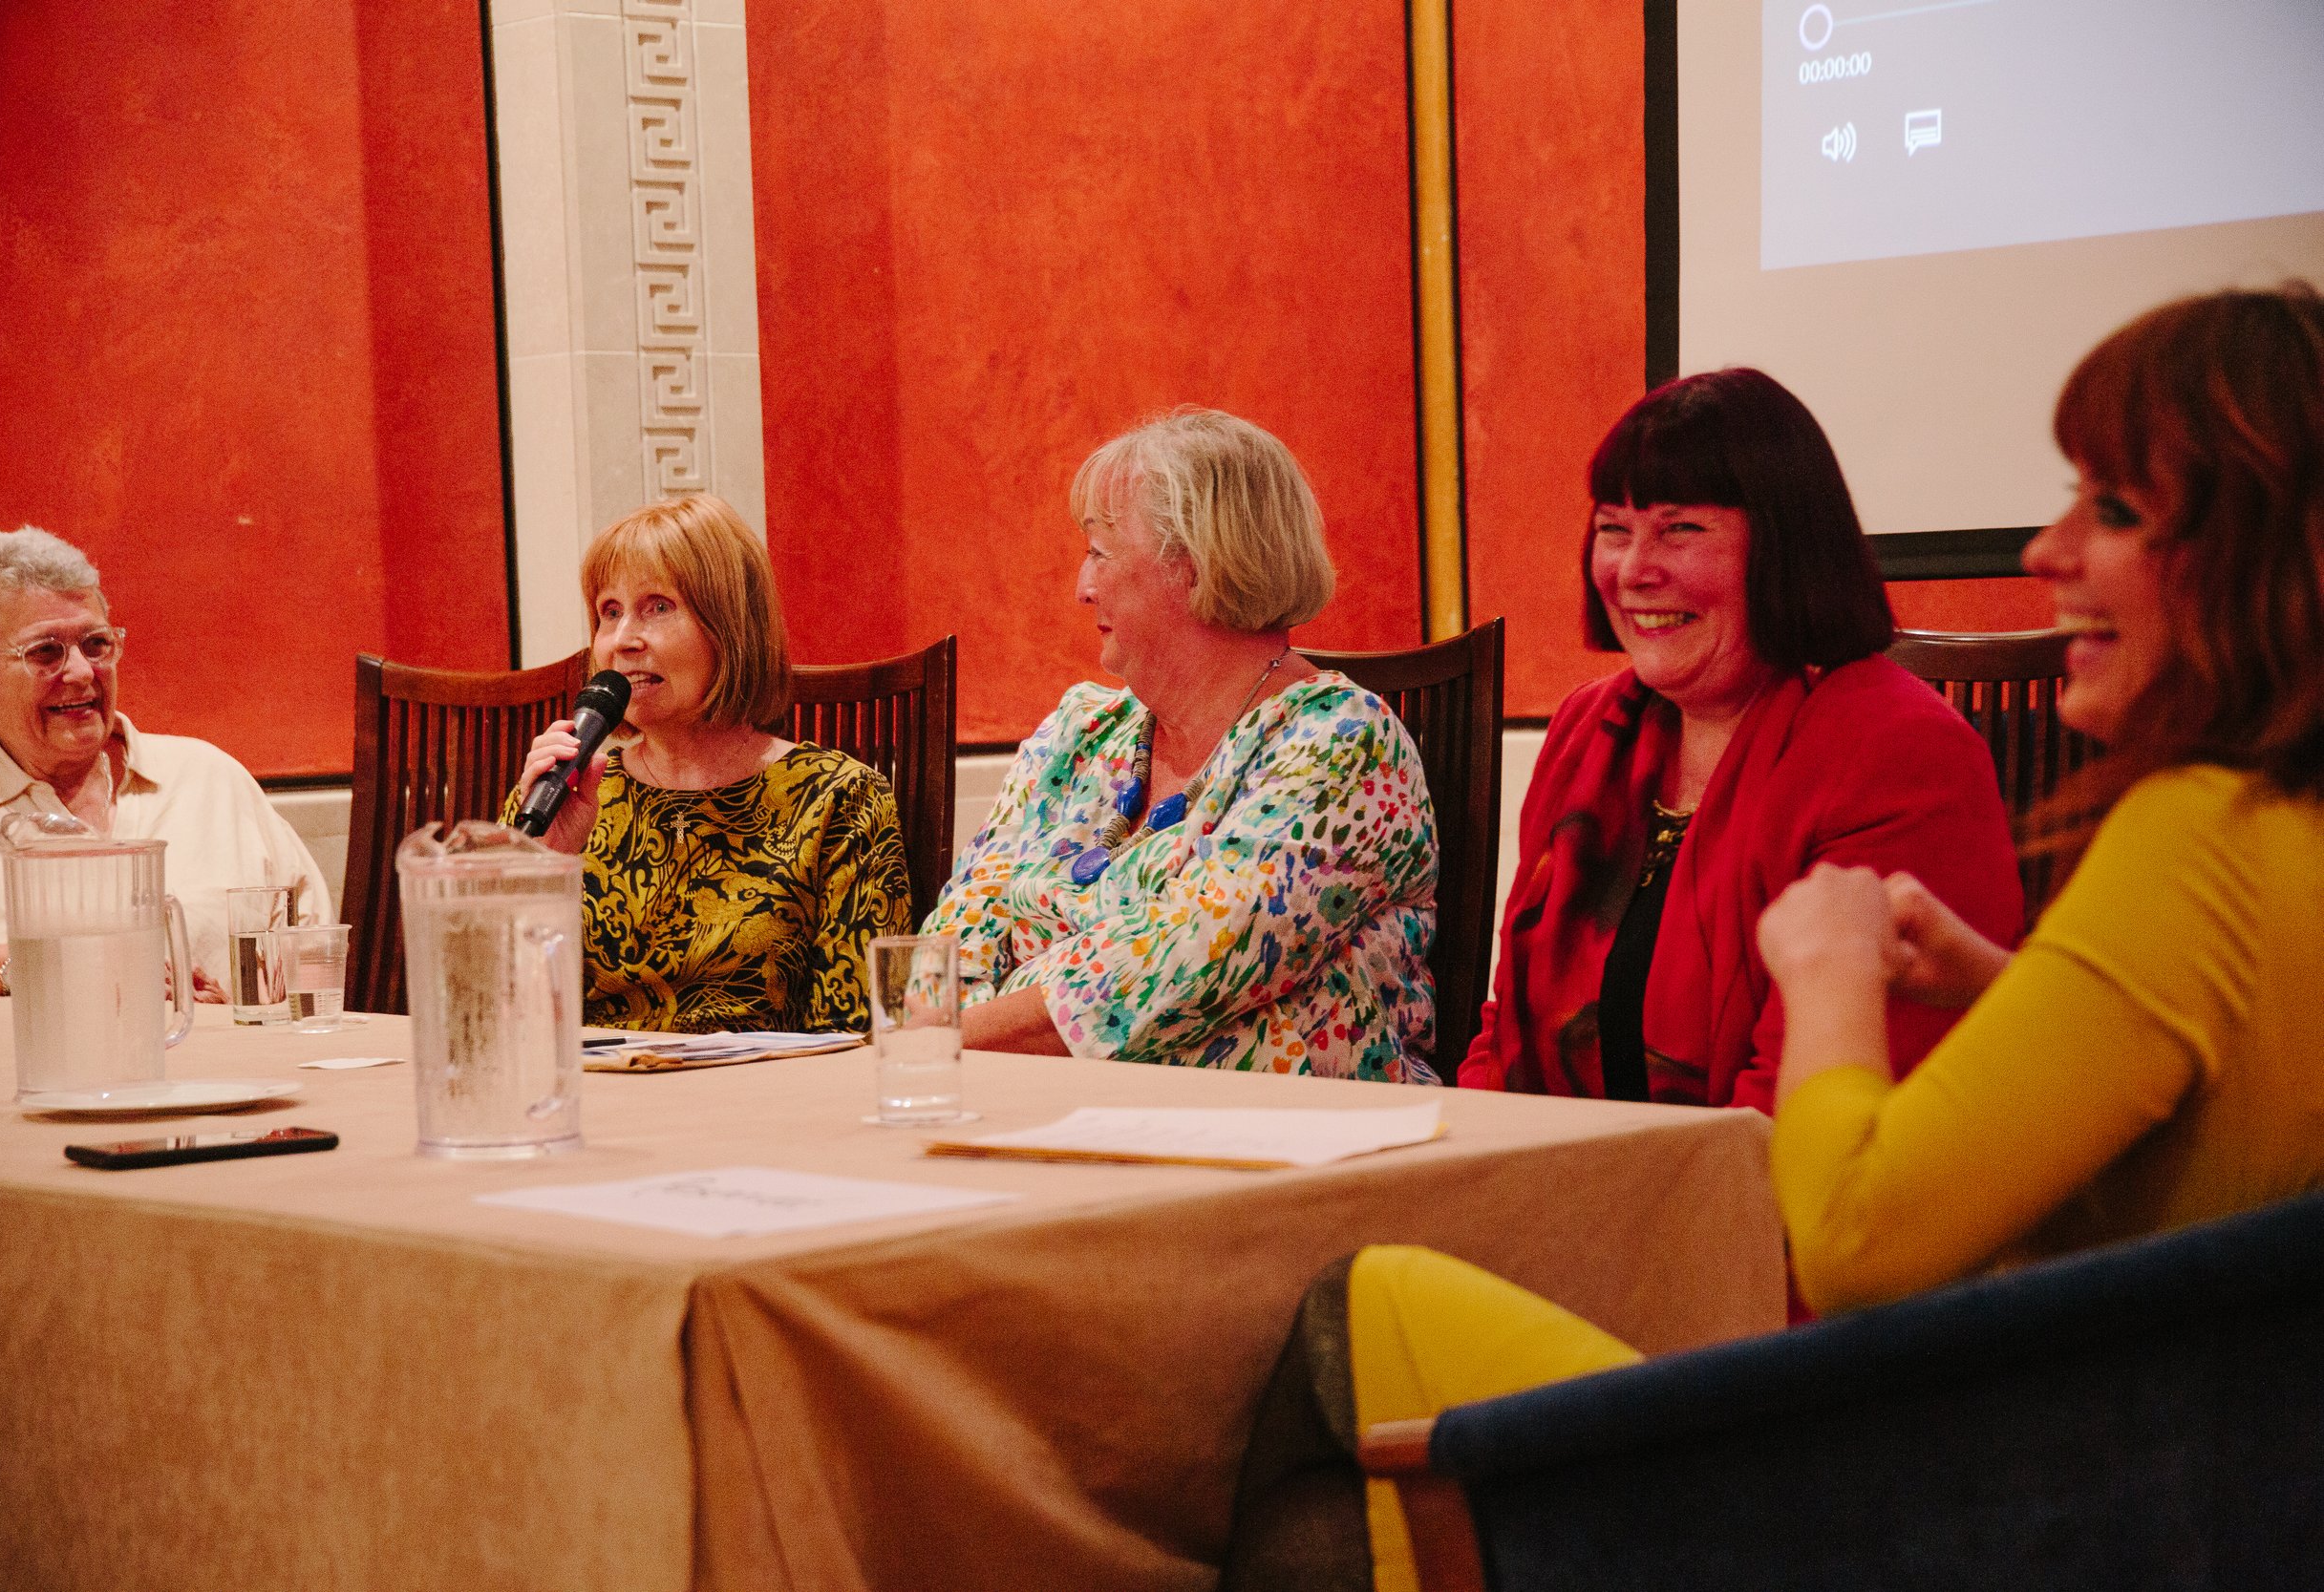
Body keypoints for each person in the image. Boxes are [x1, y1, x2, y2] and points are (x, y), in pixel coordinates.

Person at [1221, 285, 2324, 1591]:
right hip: (2121, 1451)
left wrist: (1826, 968)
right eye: (1613, 527)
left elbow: (1855, 1241)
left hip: (1896, 1436)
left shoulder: (2134, 817)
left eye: (2117, 508)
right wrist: (1986, 978)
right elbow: (2159, 1111)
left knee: (1330, 1353)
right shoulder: (2270, 825)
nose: (2046, 548)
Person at [1461, 367, 2021, 1110]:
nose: (1632, 571)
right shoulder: (1587, 730)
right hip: (1571, 1181)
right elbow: (1507, 1028)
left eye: (1680, 529)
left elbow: (1800, 1106)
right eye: (1612, 530)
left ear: (1785, 548)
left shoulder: (1899, 750)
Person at [921, 407, 1439, 1083]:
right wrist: (947, 1029)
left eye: (1100, 554)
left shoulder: (1341, 745)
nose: (1082, 587)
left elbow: (1178, 970)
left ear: (1193, 568)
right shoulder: (1079, 734)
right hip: (1052, 1121)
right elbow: (955, 936)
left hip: (1289, 1157)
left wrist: (940, 1039)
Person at [511, 492, 910, 1034]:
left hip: (761, 1105)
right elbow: (494, 1019)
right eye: (609, 612)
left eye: (657, 606)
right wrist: (545, 864)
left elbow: (860, 1029)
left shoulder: (838, 798)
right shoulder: (559, 794)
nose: (623, 640)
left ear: (731, 628)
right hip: (590, 1102)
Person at [0, 525, 330, 999]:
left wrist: (235, 1011)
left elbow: (316, 958)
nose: (82, 672)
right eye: (45, 652)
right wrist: (48, 965)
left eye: (96, 644)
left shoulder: (209, 779)